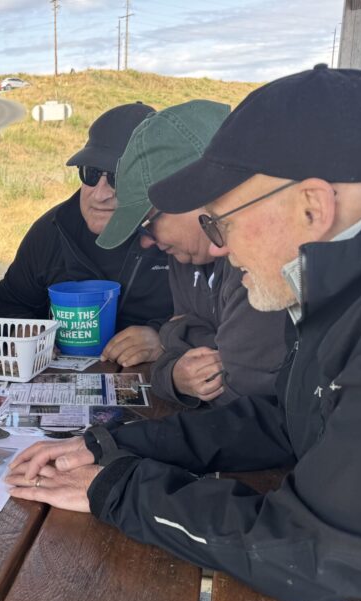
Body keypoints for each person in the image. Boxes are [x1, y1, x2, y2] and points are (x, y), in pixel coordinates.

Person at [7, 64, 361, 601]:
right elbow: (280, 420)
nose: (223, 248)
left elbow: (328, 552)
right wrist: (119, 448)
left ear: (311, 205)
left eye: (224, 221)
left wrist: (118, 492)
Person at [97, 100, 287, 407]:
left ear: (195, 191)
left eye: (148, 225)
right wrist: (172, 373)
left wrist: (171, 338)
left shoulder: (258, 253)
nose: (146, 243)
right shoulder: (185, 256)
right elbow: (175, 347)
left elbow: (238, 385)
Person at [0, 103, 173, 367]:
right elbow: (6, 307)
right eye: (91, 173)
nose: (100, 193)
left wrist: (163, 338)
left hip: (155, 379)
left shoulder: (177, 237)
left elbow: (216, 325)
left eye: (118, 178)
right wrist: (24, 332)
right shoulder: (52, 229)